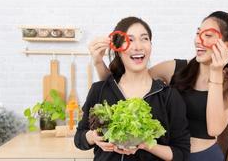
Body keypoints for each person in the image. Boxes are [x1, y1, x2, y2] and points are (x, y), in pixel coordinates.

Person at [89, 8, 228, 161]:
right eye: (197, 33)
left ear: (227, 45)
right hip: (168, 155)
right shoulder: (175, 69)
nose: (198, 40)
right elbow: (124, 84)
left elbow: (214, 129)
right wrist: (98, 62)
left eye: (207, 36)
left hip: (204, 157)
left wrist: (216, 72)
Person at [75, 17, 190, 161]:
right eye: (129, 40)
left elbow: (182, 154)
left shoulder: (168, 96)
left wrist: (145, 143)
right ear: (118, 49)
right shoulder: (100, 90)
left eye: (144, 39)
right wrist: (93, 137)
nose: (138, 46)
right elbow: (79, 138)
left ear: (150, 45)